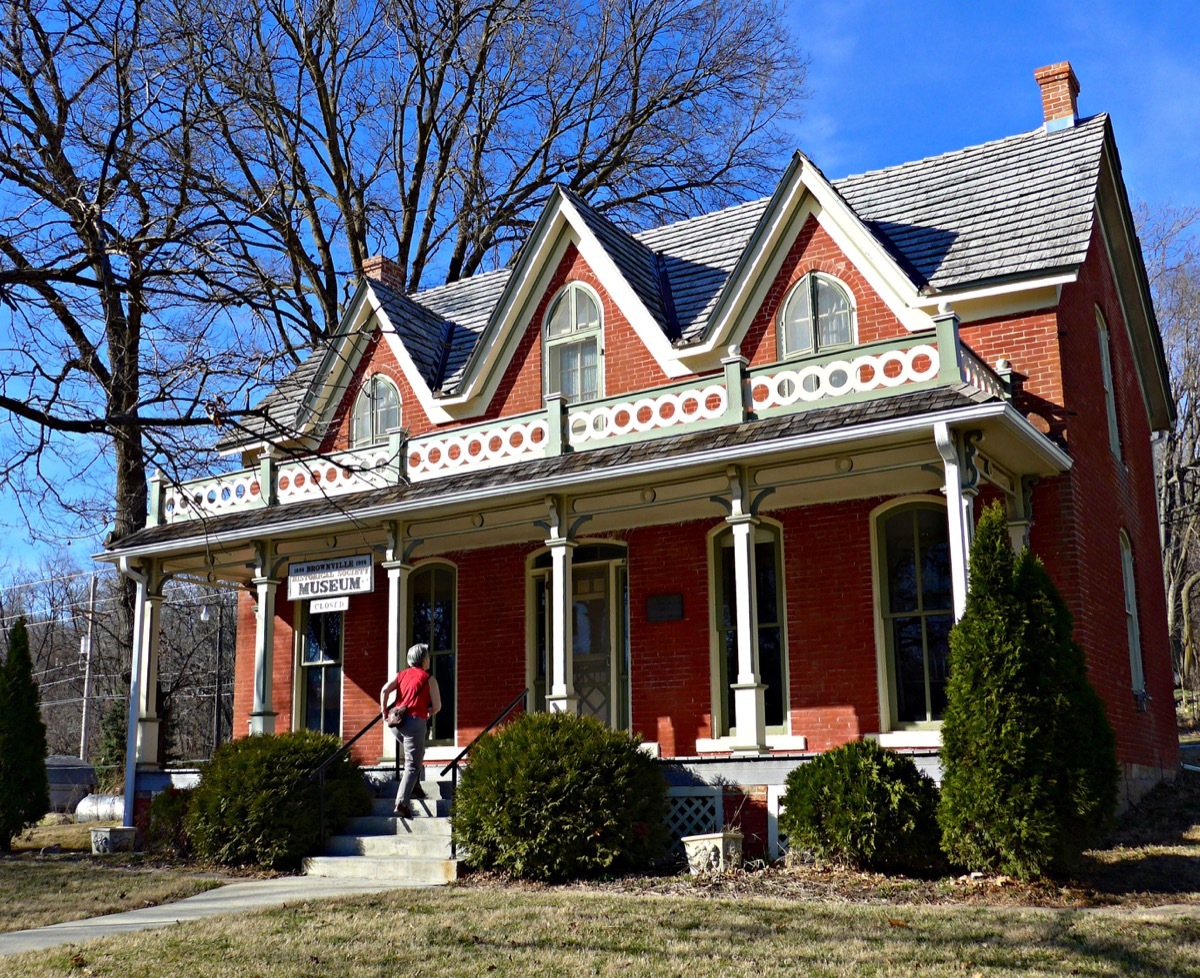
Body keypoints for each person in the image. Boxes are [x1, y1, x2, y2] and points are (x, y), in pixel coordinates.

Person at [379, 642, 441, 817]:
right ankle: (401, 803)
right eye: (428, 656)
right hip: (415, 723)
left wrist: (383, 710)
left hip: (397, 724)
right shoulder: (429, 679)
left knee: (417, 754)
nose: (429, 658)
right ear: (423, 659)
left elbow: (384, 690)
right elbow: (437, 706)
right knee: (412, 765)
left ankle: (416, 788)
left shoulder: (401, 675)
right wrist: (429, 711)